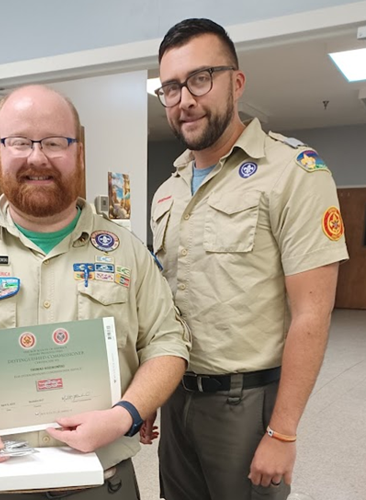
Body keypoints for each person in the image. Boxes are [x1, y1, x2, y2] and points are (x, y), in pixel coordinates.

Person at [0, 84, 190, 500]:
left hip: (101, 481)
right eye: (21, 142)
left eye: (53, 142)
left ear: (78, 152)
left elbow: (168, 345)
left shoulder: (126, 251)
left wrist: (124, 416)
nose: (37, 157)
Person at [147, 18, 349, 500]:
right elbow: (160, 309)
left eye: (200, 78)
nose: (185, 100)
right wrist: (149, 388)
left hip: (247, 403)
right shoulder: (167, 190)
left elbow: (312, 314)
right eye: (171, 88)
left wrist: (283, 433)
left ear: (236, 82)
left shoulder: (294, 173)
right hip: (175, 395)